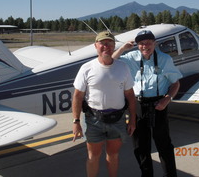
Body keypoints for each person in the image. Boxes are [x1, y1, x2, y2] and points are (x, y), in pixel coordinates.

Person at [112, 30, 183, 177]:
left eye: (149, 43)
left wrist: (167, 99)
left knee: (164, 145)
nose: (145, 46)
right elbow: (111, 60)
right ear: (137, 45)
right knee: (140, 147)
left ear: (155, 43)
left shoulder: (165, 59)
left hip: (159, 104)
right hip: (137, 105)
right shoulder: (131, 57)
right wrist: (122, 49)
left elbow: (175, 83)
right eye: (141, 43)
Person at [72, 31, 136, 177]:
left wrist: (132, 119)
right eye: (103, 43)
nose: (106, 46)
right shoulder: (86, 68)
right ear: (96, 46)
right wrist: (76, 121)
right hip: (93, 119)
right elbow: (77, 96)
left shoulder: (123, 67)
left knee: (113, 155)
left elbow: (130, 96)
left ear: (114, 46)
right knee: (93, 156)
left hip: (118, 119)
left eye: (110, 43)